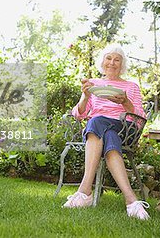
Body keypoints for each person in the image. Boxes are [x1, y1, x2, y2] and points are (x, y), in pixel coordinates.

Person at [62, 44, 150, 220]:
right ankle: (132, 201)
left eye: (117, 59)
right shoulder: (94, 85)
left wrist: (125, 102)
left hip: (124, 127)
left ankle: (84, 191)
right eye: (109, 58)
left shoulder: (131, 86)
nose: (112, 62)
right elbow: (78, 114)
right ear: (102, 62)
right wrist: (85, 96)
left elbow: (140, 117)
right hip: (101, 131)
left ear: (122, 64)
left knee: (97, 122)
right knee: (108, 134)